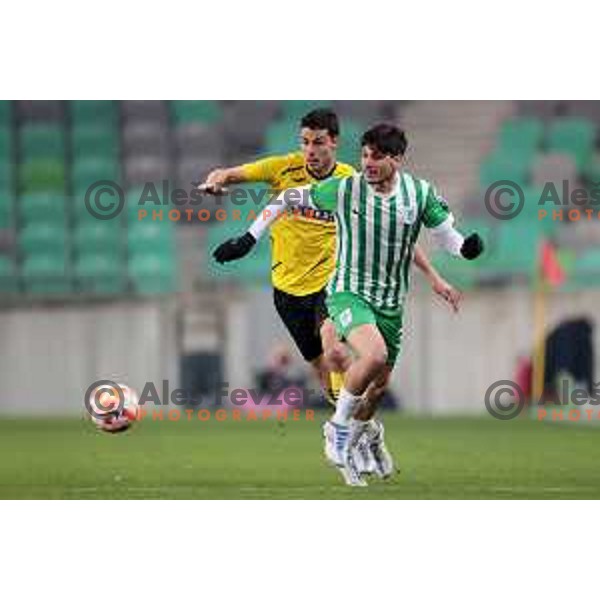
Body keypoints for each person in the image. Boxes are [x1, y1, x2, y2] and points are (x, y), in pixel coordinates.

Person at [212, 123, 484, 486]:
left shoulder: (418, 194)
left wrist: (463, 251)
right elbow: (286, 198)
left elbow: (439, 236)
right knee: (356, 358)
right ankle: (338, 431)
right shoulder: (346, 189)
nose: (368, 163)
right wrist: (248, 239)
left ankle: (365, 435)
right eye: (365, 155)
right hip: (340, 290)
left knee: (378, 385)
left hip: (388, 301)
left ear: (398, 159)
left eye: (377, 156)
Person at [201, 109, 460, 407]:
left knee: (335, 349)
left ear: (333, 142)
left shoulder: (351, 182)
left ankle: (351, 423)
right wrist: (215, 182)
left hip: (334, 282)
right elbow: (228, 174)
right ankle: (351, 421)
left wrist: (433, 276)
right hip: (288, 289)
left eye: (318, 142)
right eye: (305, 142)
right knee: (322, 370)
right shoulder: (282, 169)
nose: (310, 150)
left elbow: (394, 234)